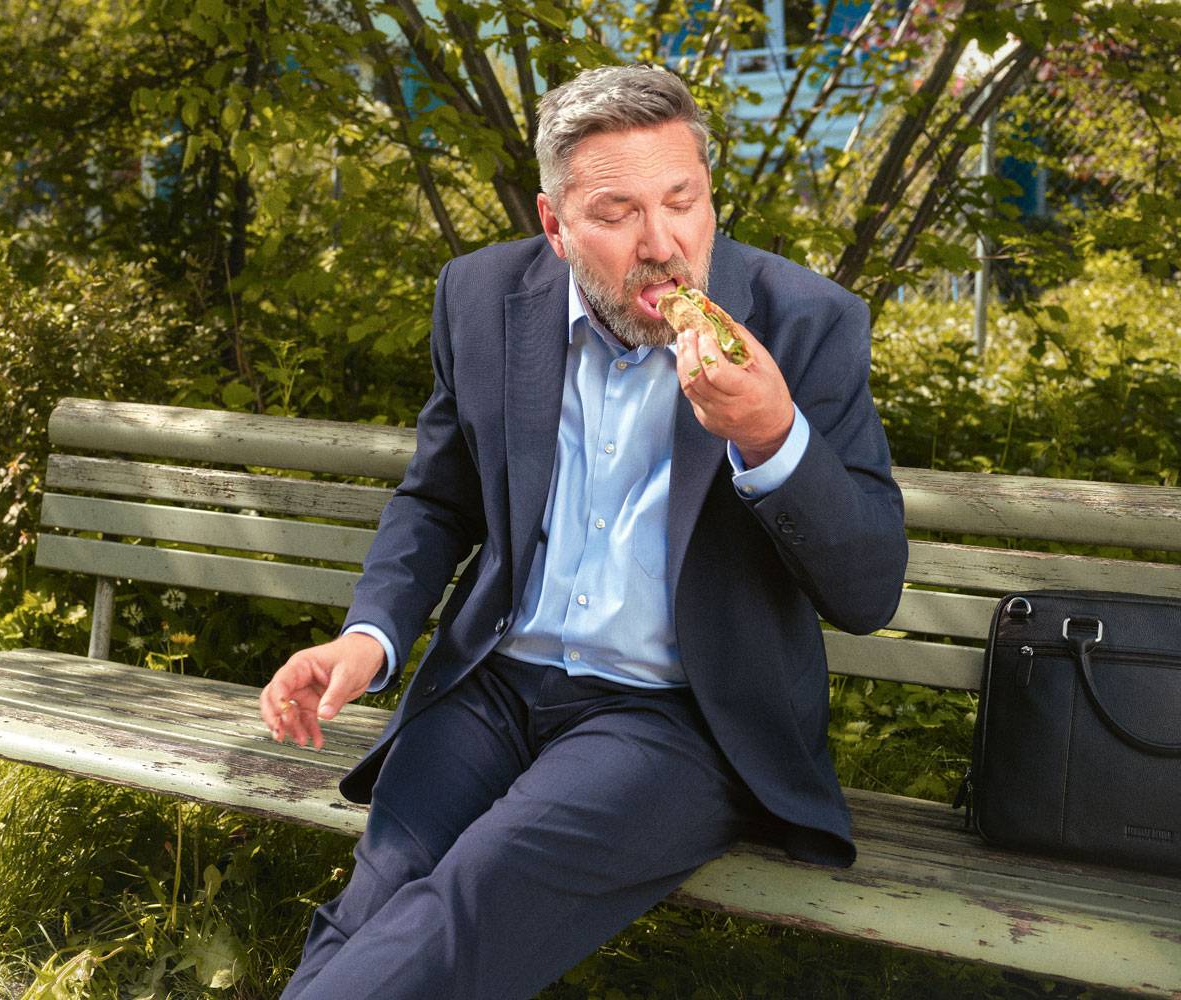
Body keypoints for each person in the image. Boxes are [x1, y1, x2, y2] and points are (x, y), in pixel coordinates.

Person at [257, 64, 907, 999]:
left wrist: (771, 434)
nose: (664, 244)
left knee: (464, 908)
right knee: (376, 904)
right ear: (555, 224)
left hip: (675, 716)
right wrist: (369, 637)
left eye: (683, 201)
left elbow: (867, 591)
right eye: (618, 213)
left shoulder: (804, 326)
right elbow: (439, 500)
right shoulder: (481, 298)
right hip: (495, 684)